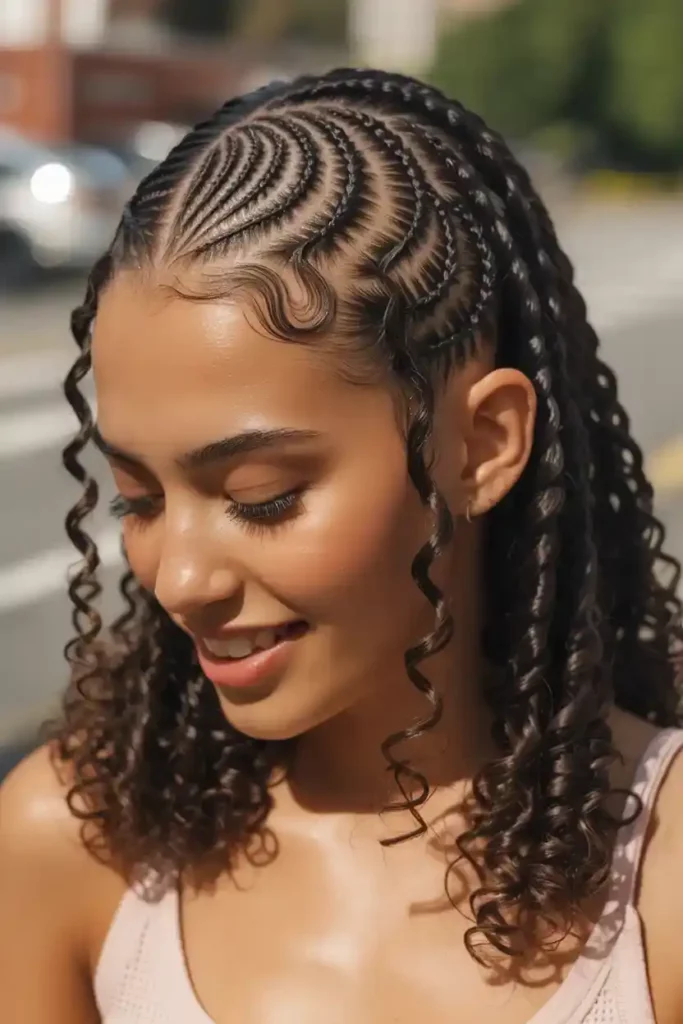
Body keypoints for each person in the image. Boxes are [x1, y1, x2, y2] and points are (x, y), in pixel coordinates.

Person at [1, 67, 682, 1024]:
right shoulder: (75, 844)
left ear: (481, 446)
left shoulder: (662, 884)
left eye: (262, 498)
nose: (181, 579)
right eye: (137, 498)